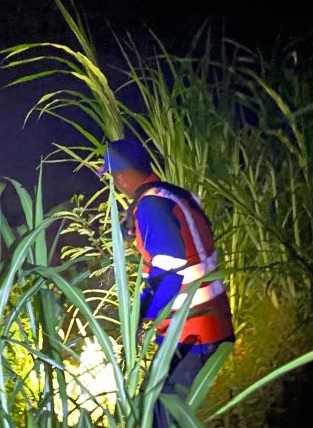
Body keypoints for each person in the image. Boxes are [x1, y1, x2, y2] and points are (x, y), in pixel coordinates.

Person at [98, 138, 235, 426]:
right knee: (158, 405)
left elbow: (170, 274)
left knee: (160, 415)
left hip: (192, 334)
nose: (114, 184)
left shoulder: (150, 206)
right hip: (210, 321)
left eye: (112, 177)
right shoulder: (173, 194)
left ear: (121, 176)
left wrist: (136, 319)